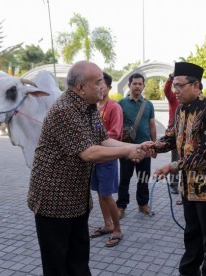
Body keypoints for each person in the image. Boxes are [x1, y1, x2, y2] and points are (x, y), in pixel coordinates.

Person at [27, 60, 153, 275]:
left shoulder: (89, 107)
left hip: (76, 199)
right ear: (81, 88)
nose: (103, 87)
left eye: (102, 81)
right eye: (97, 82)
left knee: (78, 258)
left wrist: (137, 146)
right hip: (53, 201)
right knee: (57, 263)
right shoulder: (65, 110)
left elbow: (102, 141)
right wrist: (127, 152)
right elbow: (89, 152)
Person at [153, 62, 206, 276]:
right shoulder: (181, 110)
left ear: (196, 85)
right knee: (192, 235)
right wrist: (150, 147)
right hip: (188, 188)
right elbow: (171, 137)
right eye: (173, 85)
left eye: (179, 85)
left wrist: (172, 166)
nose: (174, 90)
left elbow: (205, 154)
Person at [89, 72, 124, 247]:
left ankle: (117, 229)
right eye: (96, 84)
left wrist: (92, 140)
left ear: (109, 87)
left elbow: (115, 133)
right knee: (99, 193)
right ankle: (107, 224)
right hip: (94, 157)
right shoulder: (92, 106)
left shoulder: (113, 107)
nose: (99, 87)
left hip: (107, 157)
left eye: (101, 84)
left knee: (106, 194)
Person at [117, 73, 156, 219]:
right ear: (129, 85)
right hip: (127, 149)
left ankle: (143, 204)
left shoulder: (148, 105)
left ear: (143, 86)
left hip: (145, 148)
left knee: (143, 177)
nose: (137, 86)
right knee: (124, 178)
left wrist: (155, 146)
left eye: (140, 84)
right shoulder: (121, 104)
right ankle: (121, 206)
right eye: (135, 83)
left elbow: (152, 125)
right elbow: (118, 127)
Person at [164, 73, 180, 194]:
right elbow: (166, 90)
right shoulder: (173, 97)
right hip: (174, 133)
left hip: (187, 133)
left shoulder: (191, 100)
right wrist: (170, 78)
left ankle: (185, 183)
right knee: (175, 158)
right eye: (177, 86)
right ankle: (174, 183)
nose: (179, 89)